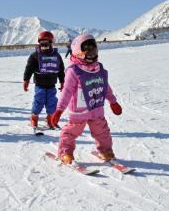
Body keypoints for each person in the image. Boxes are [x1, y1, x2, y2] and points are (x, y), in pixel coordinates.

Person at [51, 34, 122, 165]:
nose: (92, 53)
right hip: (79, 111)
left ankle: (105, 150)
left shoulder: (99, 68)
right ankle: (65, 152)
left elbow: (105, 86)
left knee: (102, 131)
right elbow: (66, 92)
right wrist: (59, 110)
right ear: (78, 52)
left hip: (96, 108)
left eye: (93, 49)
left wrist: (113, 101)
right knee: (71, 132)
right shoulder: (74, 71)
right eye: (87, 50)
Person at [23, 31, 65, 130]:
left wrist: (62, 81)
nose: (44, 45)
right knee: (38, 102)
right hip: (40, 85)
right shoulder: (35, 55)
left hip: (51, 85)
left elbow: (60, 69)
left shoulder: (56, 56)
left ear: (51, 43)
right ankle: (34, 118)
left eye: (46, 42)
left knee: (52, 103)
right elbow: (29, 68)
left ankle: (50, 119)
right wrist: (26, 80)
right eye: (42, 43)